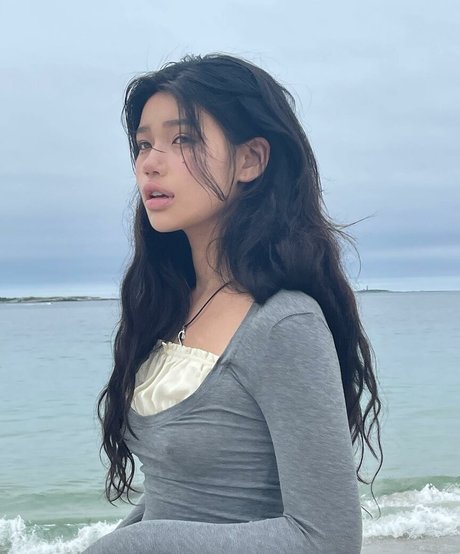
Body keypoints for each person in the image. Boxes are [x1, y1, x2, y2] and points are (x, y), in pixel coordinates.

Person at [84, 53, 382, 553]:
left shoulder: (283, 323)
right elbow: (175, 494)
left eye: (183, 139)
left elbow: (327, 539)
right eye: (143, 144)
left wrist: (132, 547)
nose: (150, 162)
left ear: (251, 160)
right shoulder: (172, 307)